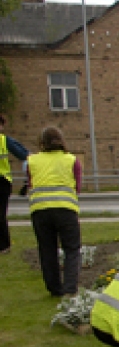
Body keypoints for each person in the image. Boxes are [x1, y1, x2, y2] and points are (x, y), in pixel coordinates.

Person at [26, 127, 83, 297]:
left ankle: (54, 288)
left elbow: (31, 184)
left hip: (40, 211)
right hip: (66, 209)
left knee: (47, 250)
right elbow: (77, 187)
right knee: (72, 249)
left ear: (41, 142)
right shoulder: (72, 160)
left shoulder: (32, 161)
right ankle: (70, 289)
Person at [0, 114, 31, 255]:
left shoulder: (4, 141)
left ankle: (4, 245)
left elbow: (24, 154)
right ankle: (4, 245)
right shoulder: (5, 140)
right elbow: (24, 154)